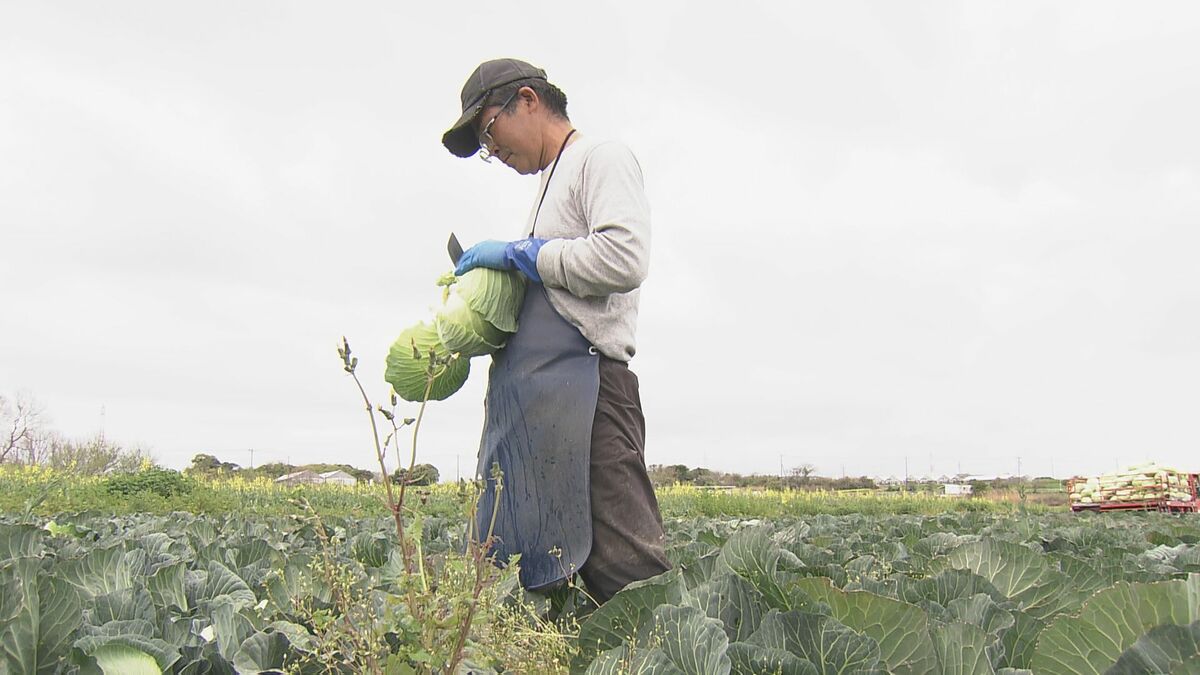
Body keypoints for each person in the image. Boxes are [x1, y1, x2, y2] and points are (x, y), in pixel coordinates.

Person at [441, 58, 671, 604]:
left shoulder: (600, 158)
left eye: (489, 134)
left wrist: (522, 253)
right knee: (532, 558)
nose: (493, 153)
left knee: (625, 564)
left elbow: (623, 257)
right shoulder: (550, 184)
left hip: (588, 391)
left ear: (527, 99)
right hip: (540, 407)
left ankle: (674, 653)